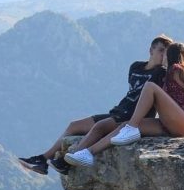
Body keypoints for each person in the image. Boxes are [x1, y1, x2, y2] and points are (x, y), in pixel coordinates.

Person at [18, 34, 173, 175]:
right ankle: (42, 160)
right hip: (119, 111)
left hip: (134, 116)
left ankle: (66, 162)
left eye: (166, 52)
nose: (162, 54)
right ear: (150, 50)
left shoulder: (162, 74)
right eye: (160, 50)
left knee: (100, 127)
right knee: (74, 125)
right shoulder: (135, 67)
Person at [64, 42, 184, 167]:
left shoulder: (177, 69)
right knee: (123, 127)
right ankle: (89, 153)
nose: (163, 56)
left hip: (182, 120)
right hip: (170, 124)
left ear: (172, 55)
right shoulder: (167, 73)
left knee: (150, 86)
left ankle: (132, 128)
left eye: (165, 53)